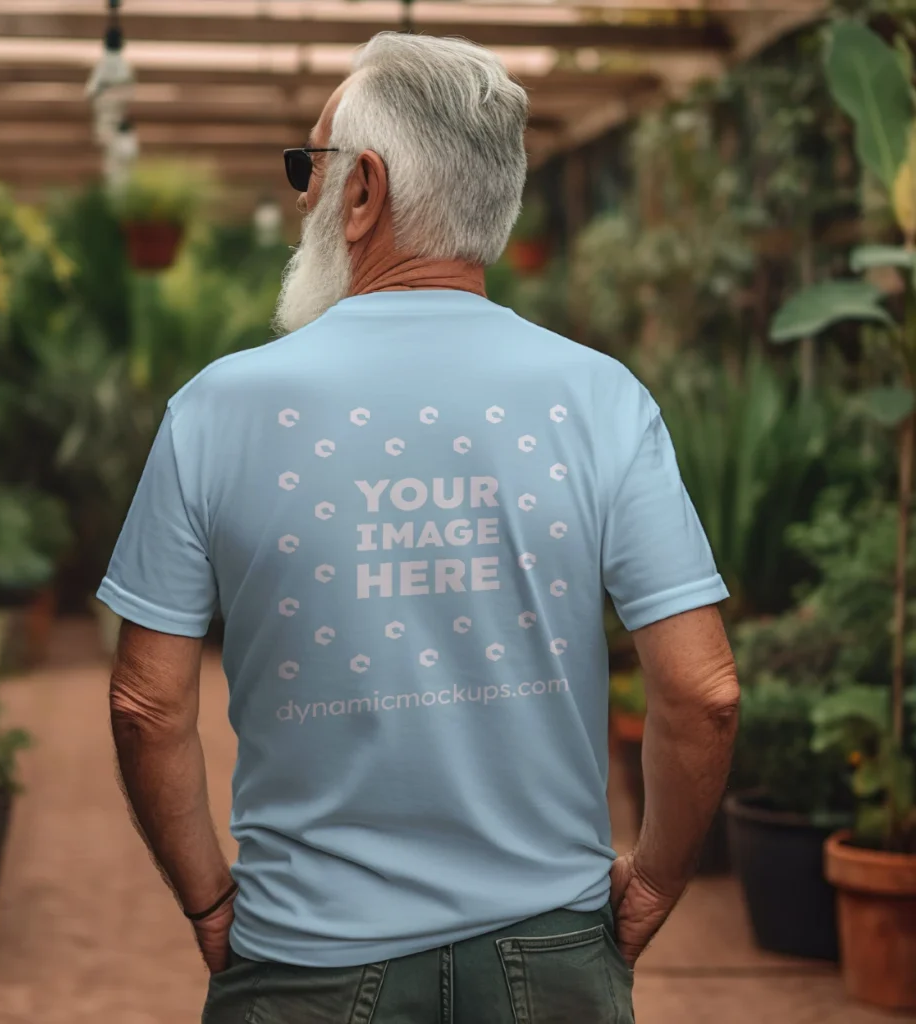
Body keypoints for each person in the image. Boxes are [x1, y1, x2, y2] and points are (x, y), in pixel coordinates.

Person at [100, 31, 739, 1024]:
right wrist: (650, 883)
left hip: (305, 957)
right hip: (552, 955)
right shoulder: (601, 400)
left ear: (363, 193)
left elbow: (145, 704)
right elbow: (702, 691)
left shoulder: (216, 411)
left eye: (311, 169)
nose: (300, 198)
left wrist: (210, 897)